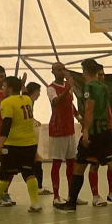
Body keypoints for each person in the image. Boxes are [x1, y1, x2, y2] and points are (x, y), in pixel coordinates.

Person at [54, 59, 112, 212]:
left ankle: (71, 203)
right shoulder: (104, 87)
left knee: (79, 167)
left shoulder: (90, 87)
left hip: (94, 132)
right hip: (106, 131)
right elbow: (107, 110)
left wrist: (86, 130)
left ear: (86, 71)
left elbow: (89, 109)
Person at [0, 76, 41, 213]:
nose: (2, 89)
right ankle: (35, 204)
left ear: (9, 89)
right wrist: (23, 84)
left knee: (3, 174)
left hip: (13, 144)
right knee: (29, 173)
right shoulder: (27, 99)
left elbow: (6, 124)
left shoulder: (7, 102)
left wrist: (1, 144)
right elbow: (24, 93)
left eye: (4, 87)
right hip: (30, 144)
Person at [47, 62, 87, 206]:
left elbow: (70, 105)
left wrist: (80, 118)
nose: (61, 72)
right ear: (53, 72)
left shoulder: (67, 87)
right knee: (57, 162)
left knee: (71, 162)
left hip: (69, 129)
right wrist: (68, 87)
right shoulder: (51, 88)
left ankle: (72, 195)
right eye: (58, 69)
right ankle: (56, 196)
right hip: (57, 130)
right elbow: (56, 102)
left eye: (63, 69)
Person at [88, 65, 112, 206]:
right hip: (95, 133)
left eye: (103, 74)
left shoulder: (104, 92)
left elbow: (109, 114)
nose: (101, 77)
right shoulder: (90, 91)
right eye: (99, 74)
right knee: (94, 164)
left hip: (107, 132)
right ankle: (95, 196)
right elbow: (88, 112)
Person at [0, 65, 15, 207]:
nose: (3, 79)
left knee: (8, 166)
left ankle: (4, 191)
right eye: (1, 76)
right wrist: (9, 93)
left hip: (8, 133)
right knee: (0, 165)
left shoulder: (8, 93)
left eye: (5, 76)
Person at [27, 82, 53, 195]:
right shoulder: (28, 101)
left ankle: (38, 187)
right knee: (35, 162)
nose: (39, 94)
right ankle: (38, 187)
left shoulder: (29, 101)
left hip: (28, 137)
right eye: (38, 91)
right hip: (27, 138)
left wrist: (34, 120)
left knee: (35, 162)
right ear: (34, 91)